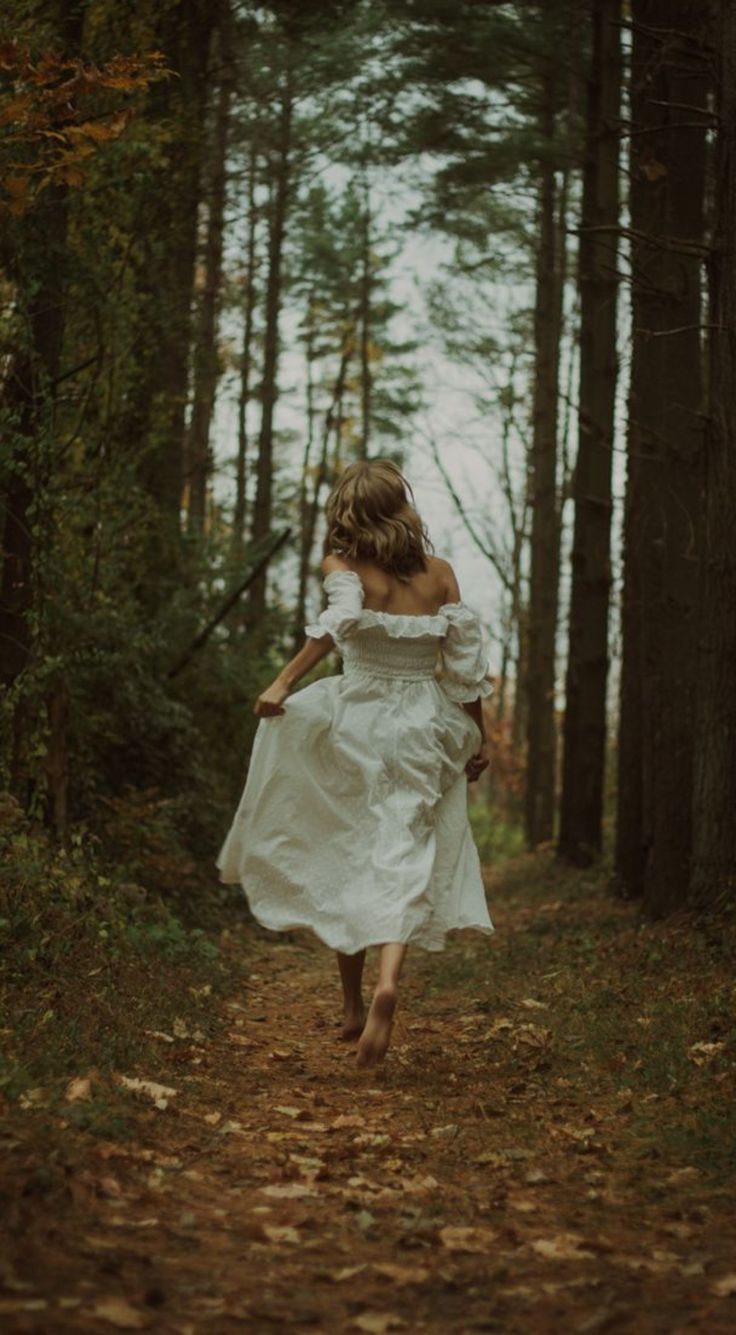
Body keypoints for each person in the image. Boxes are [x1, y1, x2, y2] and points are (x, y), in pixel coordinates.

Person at [217, 459, 494, 1068]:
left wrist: (281, 683)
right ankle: (386, 986)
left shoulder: (344, 568)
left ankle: (349, 1003)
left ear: (350, 511)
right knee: (404, 854)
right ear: (400, 507)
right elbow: (467, 668)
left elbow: (334, 630)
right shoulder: (441, 574)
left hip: (359, 719)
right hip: (425, 723)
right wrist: (479, 737)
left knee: (351, 852)